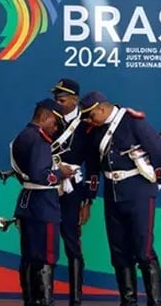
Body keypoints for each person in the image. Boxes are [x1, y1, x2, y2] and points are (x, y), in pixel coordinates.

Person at [79, 91, 161, 306]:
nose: (89, 121)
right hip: (112, 195)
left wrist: (156, 180)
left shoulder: (132, 122)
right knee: (119, 252)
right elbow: (92, 168)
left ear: (101, 108)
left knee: (143, 251)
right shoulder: (94, 131)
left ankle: (155, 302)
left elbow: (158, 152)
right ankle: (128, 302)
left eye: (91, 116)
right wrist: (88, 200)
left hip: (138, 192)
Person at [10, 98, 75, 306]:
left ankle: (30, 301)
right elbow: (41, 174)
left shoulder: (22, 136)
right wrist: (61, 173)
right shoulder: (39, 140)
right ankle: (45, 302)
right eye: (55, 123)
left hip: (27, 203)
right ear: (45, 117)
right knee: (47, 257)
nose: (56, 129)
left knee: (29, 257)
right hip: (43, 205)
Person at [50, 78, 94, 305]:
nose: (58, 102)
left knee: (72, 242)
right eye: (56, 99)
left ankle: (76, 299)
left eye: (62, 99)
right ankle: (44, 297)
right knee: (45, 241)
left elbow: (93, 165)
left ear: (75, 99)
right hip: (48, 186)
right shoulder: (49, 120)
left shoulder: (86, 125)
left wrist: (88, 200)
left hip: (73, 190)